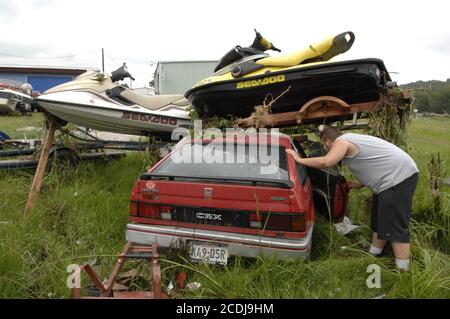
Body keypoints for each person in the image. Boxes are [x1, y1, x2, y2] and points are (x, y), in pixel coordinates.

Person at [286, 125, 419, 271]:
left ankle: (403, 272)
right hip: (389, 180)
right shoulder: (350, 141)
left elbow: (326, 162)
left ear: (328, 140)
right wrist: (360, 184)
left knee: (394, 226)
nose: (324, 147)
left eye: (323, 144)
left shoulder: (342, 142)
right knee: (379, 220)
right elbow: (372, 162)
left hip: (398, 178)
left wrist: (298, 159)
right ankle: (373, 255)